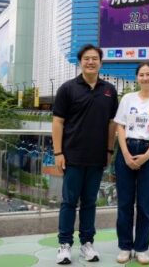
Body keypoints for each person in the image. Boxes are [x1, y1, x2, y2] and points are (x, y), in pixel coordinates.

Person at [52, 44, 118, 265]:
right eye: (86, 59)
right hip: (72, 156)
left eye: (95, 58)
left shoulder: (109, 90)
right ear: (80, 62)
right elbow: (58, 122)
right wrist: (58, 152)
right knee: (69, 202)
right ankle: (64, 246)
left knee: (90, 202)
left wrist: (109, 150)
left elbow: (112, 124)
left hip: (97, 157)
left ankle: (87, 244)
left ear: (101, 62)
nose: (91, 62)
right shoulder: (67, 88)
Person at [114, 63, 149, 265]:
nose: (145, 77)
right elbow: (120, 126)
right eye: (141, 74)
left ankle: (141, 248)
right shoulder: (127, 99)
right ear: (137, 78)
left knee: (145, 204)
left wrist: (147, 155)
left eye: (148, 74)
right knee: (125, 203)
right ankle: (125, 246)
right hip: (126, 149)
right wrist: (126, 154)